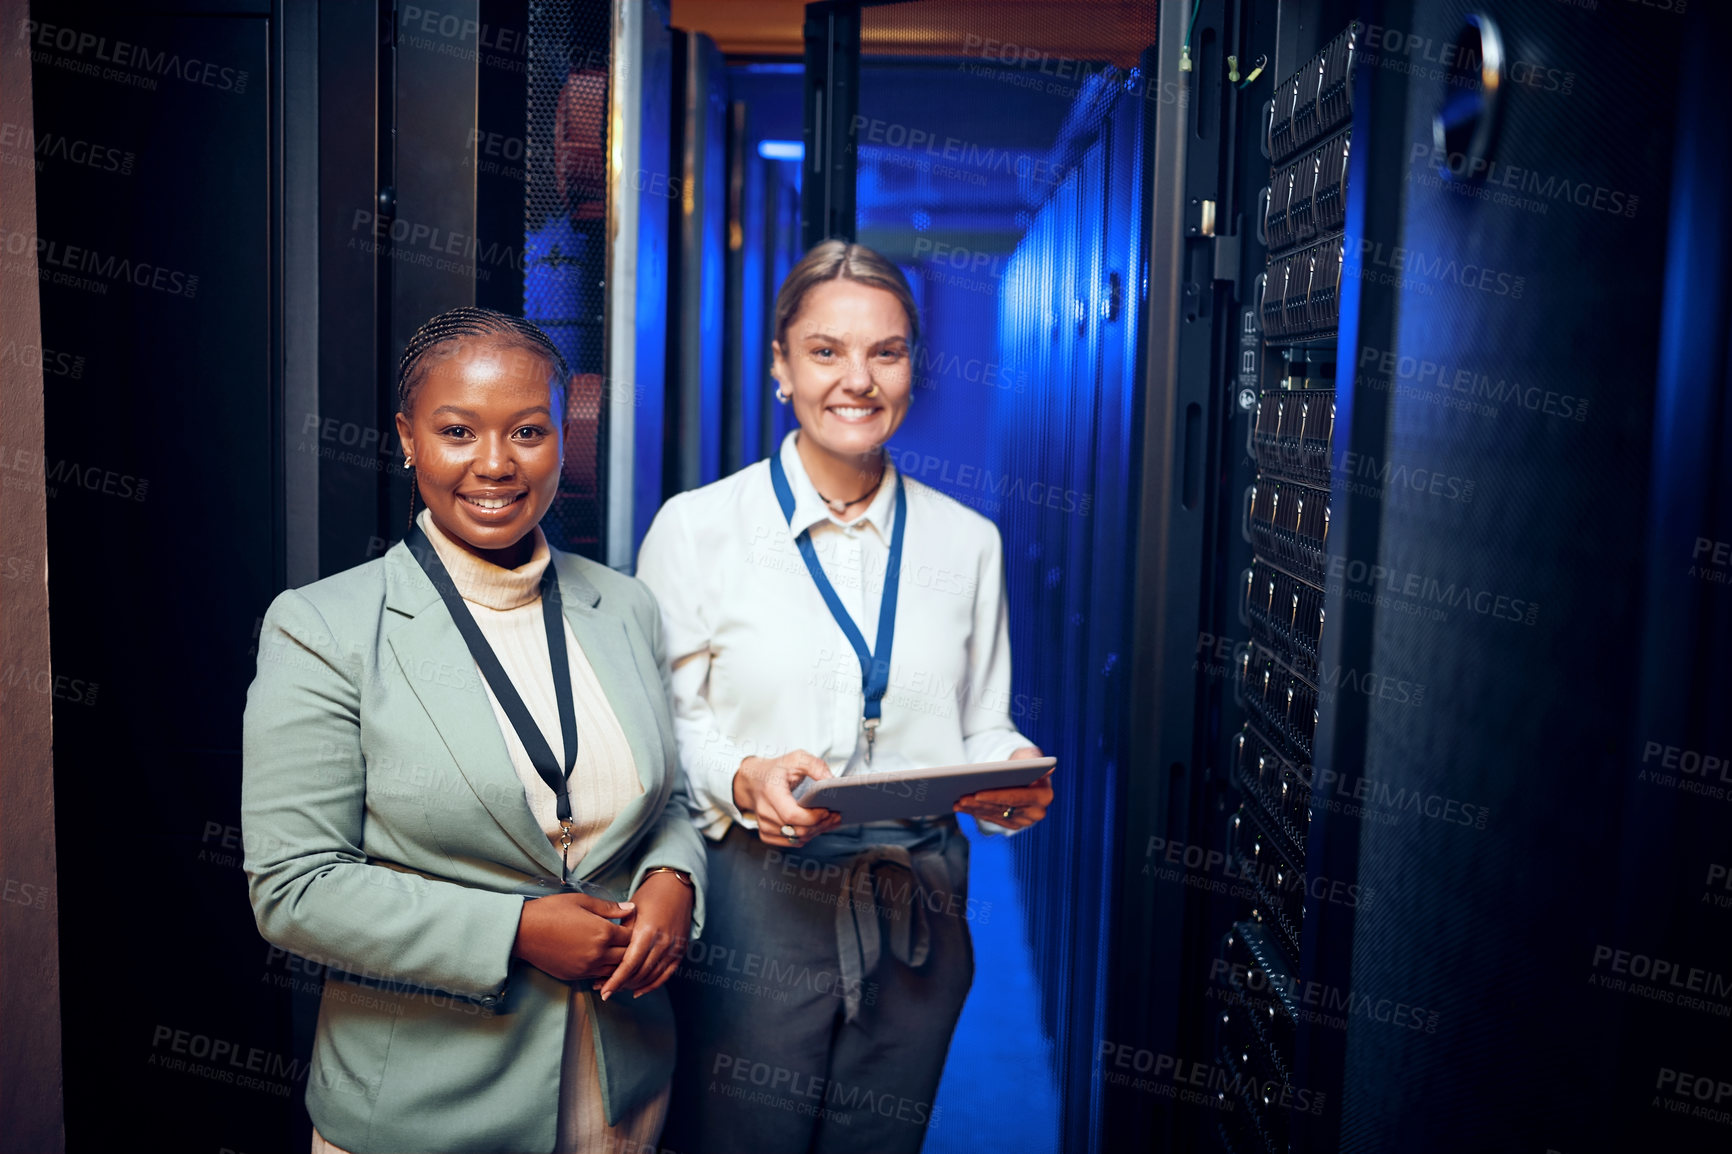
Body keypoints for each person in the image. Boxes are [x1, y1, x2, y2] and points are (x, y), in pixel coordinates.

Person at [242, 306, 705, 1154]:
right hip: (424, 1110)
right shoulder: (324, 626)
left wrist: (677, 879)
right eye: (459, 430)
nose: (495, 464)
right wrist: (520, 930)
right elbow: (293, 888)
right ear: (408, 438)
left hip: (621, 1087)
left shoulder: (625, 606)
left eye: (529, 431)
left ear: (565, 439)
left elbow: (659, 799)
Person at [636, 240, 1056, 1154]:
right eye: (825, 351)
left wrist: (1012, 769)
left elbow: (981, 721)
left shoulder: (968, 541)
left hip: (920, 900)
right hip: (760, 898)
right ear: (781, 367)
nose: (856, 379)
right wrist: (746, 779)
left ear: (912, 367)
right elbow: (667, 726)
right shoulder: (699, 529)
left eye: (887, 351)